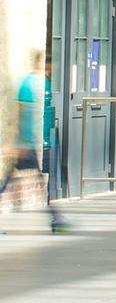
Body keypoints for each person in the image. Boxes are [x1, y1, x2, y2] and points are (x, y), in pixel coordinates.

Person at [4, 50, 70, 234]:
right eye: (47, 65)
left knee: (13, 183)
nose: (49, 69)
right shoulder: (28, 85)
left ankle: (56, 218)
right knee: (38, 184)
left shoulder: (37, 83)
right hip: (25, 145)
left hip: (27, 144)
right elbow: (21, 116)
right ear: (42, 64)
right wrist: (18, 144)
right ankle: (56, 218)